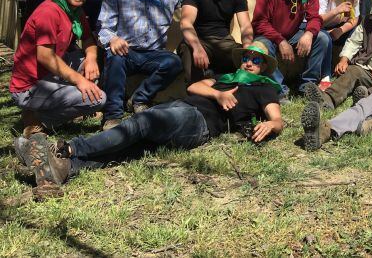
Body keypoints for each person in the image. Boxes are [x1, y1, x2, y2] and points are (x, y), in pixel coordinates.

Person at [17, 42, 284, 188]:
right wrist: (219, 94)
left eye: (256, 60)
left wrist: (271, 124)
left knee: (142, 122)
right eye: (247, 57)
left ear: (265, 67)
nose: (249, 62)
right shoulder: (225, 79)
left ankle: (65, 150)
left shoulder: (262, 88)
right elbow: (194, 86)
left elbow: (277, 118)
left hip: (199, 123)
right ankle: (65, 169)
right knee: (136, 144)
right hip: (182, 106)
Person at [96, 0, 186, 131]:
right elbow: (102, 28)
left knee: (174, 62)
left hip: (154, 54)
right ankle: (112, 115)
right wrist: (112, 39)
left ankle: (140, 98)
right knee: (114, 57)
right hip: (127, 52)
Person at [10, 0, 106, 138]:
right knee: (98, 99)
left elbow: (88, 40)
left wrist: (91, 59)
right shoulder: (49, 11)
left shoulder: (76, 12)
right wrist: (80, 80)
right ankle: (36, 119)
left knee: (92, 59)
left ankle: (60, 106)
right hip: (29, 85)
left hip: (50, 73)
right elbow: (45, 56)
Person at [252, 0, 332, 97]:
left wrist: (308, 33)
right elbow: (259, 23)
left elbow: (314, 17)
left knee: (322, 38)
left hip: (292, 34)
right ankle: (279, 90)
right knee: (261, 46)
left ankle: (307, 85)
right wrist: (280, 41)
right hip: (268, 36)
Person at [178, 0, 253, 84]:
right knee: (189, 56)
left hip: (224, 42)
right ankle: (199, 99)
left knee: (247, 63)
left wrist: (248, 48)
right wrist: (197, 47)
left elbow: (246, 26)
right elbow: (185, 23)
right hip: (200, 41)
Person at [316, 0, 360, 89]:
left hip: (339, 27)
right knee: (324, 38)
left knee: (359, 30)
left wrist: (339, 31)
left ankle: (351, 68)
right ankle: (325, 75)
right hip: (320, 26)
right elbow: (316, 21)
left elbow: (355, 18)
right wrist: (336, 10)